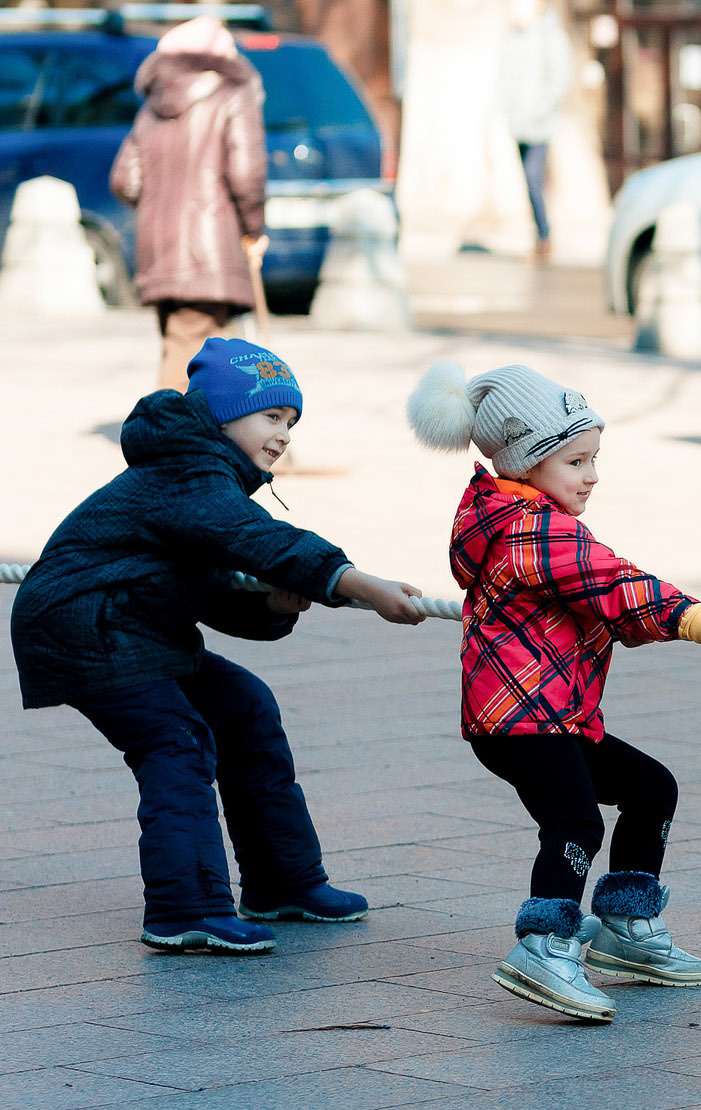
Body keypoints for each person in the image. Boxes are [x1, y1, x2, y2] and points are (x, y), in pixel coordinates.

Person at [9, 340, 429, 954]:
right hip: (86, 624)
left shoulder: (207, 477)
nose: (284, 435)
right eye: (270, 417)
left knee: (243, 705)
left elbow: (201, 586)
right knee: (176, 738)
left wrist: (267, 607)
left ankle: (282, 882)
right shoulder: (187, 469)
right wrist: (354, 582)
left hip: (136, 622)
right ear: (221, 416)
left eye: (290, 422)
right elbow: (254, 538)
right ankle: (186, 908)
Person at [407, 362, 701, 1023]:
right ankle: (545, 943)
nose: (591, 474)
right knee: (574, 821)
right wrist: (696, 619)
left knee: (651, 787)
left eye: (594, 458)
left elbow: (600, 602)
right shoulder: (533, 528)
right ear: (527, 459)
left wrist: (667, 623)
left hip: (549, 711)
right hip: (522, 715)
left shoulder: (520, 515)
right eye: (575, 460)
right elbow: (614, 583)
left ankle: (625, 928)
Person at [110, 17, 267, 392]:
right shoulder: (233, 93)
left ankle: (205, 438)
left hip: (158, 249)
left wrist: (158, 207)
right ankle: (165, 442)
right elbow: (246, 172)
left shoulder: (151, 106)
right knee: (189, 354)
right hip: (207, 249)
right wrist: (254, 230)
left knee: (192, 345)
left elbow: (124, 180)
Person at [499, 0, 572, 262]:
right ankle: (540, 236)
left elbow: (559, 79)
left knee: (534, 179)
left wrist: (538, 110)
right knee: (530, 183)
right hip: (518, 122)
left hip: (539, 123)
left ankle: (544, 237)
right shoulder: (513, 36)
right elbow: (505, 76)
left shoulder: (549, 35)